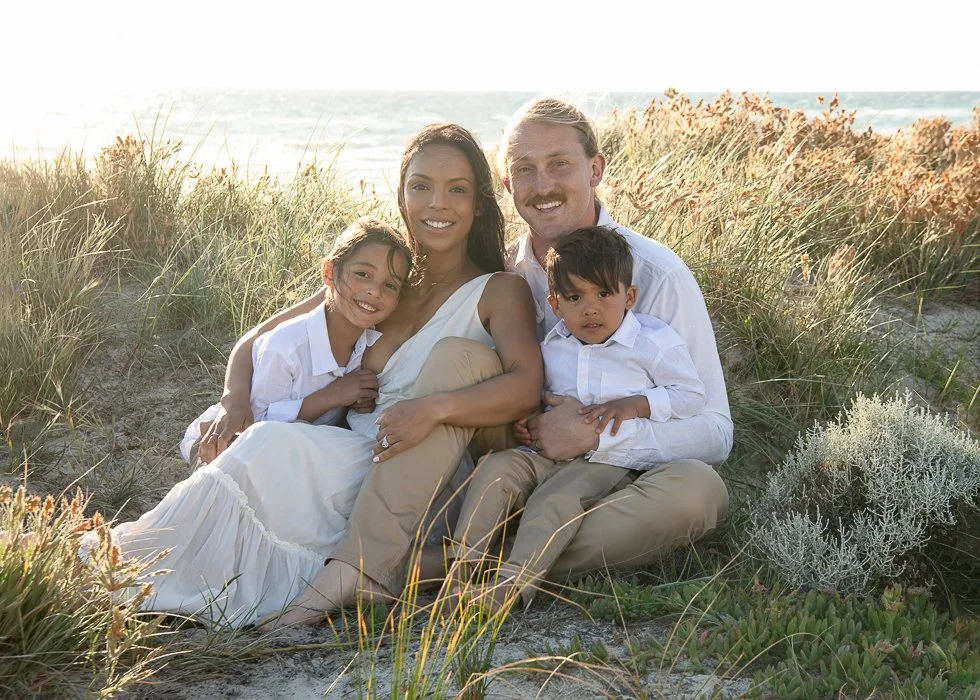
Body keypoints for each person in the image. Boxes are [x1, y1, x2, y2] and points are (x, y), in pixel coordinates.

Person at [100, 123, 541, 629]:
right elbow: (257, 337)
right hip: (349, 447)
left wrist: (432, 408)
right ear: (402, 193)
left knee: (269, 447)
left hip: (424, 464)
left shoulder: (499, 289)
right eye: (420, 186)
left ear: (479, 204)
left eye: (456, 189)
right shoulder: (382, 278)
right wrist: (233, 400)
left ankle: (178, 578)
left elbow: (525, 387)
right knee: (261, 444)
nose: (436, 203)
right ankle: (136, 569)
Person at [478, 96, 731, 585]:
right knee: (459, 360)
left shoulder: (657, 273)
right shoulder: (503, 274)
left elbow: (717, 430)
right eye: (525, 169)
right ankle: (493, 543)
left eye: (560, 164)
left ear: (595, 169)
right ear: (508, 183)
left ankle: (482, 560)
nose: (544, 185)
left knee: (700, 493)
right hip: (527, 463)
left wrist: (600, 436)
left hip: (629, 480)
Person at [450, 225, 706, 609]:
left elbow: (690, 395)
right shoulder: (554, 346)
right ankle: (460, 569)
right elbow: (547, 397)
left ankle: (510, 586)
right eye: (575, 297)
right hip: (547, 452)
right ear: (555, 305)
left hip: (608, 459)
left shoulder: (651, 343)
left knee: (554, 501)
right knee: (496, 471)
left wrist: (634, 405)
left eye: (604, 294)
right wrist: (531, 420)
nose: (591, 308)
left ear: (629, 296)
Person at [179, 217, 411, 464]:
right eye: (363, 274)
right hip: (220, 443)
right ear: (329, 273)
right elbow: (255, 430)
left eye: (390, 285)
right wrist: (334, 395)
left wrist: (357, 401)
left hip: (293, 449)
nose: (375, 291)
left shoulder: (366, 345)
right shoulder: (285, 347)